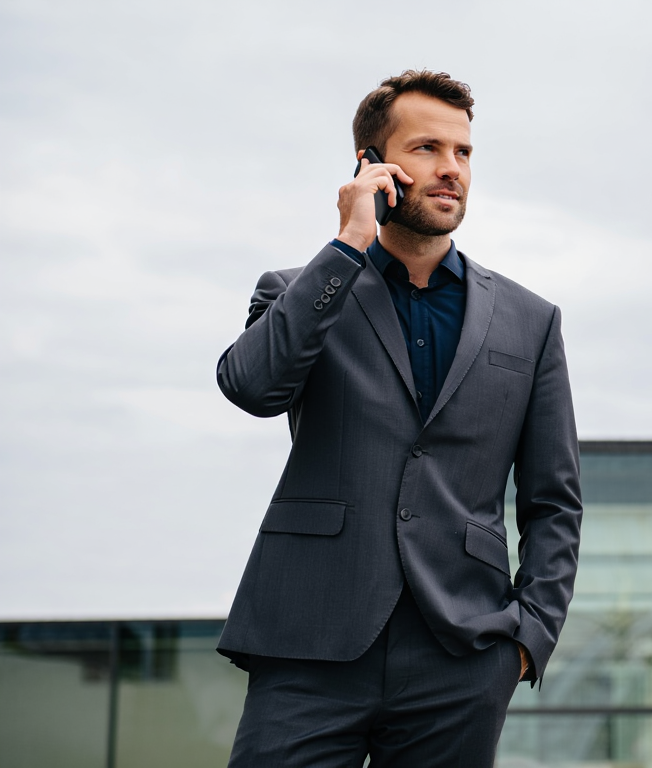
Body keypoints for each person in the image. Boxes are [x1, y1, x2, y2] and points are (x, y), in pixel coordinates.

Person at [215, 70, 582, 767]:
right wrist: (349, 243)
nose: (451, 170)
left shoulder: (530, 323)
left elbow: (553, 500)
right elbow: (253, 387)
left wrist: (529, 639)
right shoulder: (300, 290)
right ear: (370, 165)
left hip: (461, 651)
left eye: (464, 153)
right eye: (427, 149)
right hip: (309, 641)